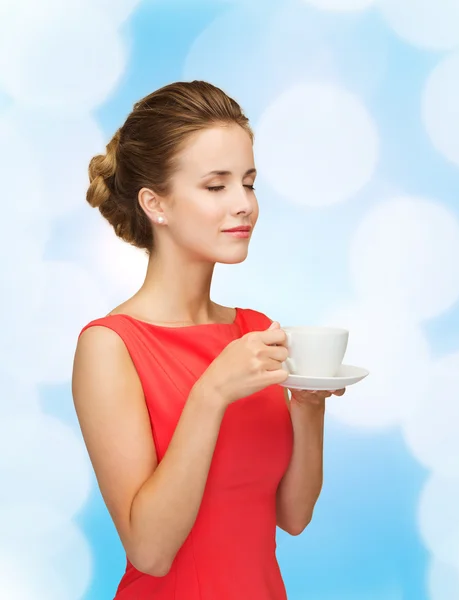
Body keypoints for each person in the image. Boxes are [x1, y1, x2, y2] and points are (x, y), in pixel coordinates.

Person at [72, 80, 345, 600]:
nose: (243, 204)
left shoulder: (254, 330)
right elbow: (150, 552)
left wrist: (308, 406)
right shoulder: (110, 347)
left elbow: (293, 515)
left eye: (249, 182)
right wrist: (211, 394)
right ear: (157, 204)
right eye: (216, 186)